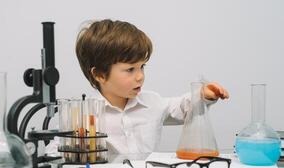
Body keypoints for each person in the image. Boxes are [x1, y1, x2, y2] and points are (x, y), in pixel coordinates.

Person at [75, 19, 229, 154]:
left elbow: (182, 107)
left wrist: (201, 94)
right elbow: (57, 150)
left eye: (142, 66)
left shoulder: (152, 103)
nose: (140, 76)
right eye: (130, 69)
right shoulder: (84, 116)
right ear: (100, 75)